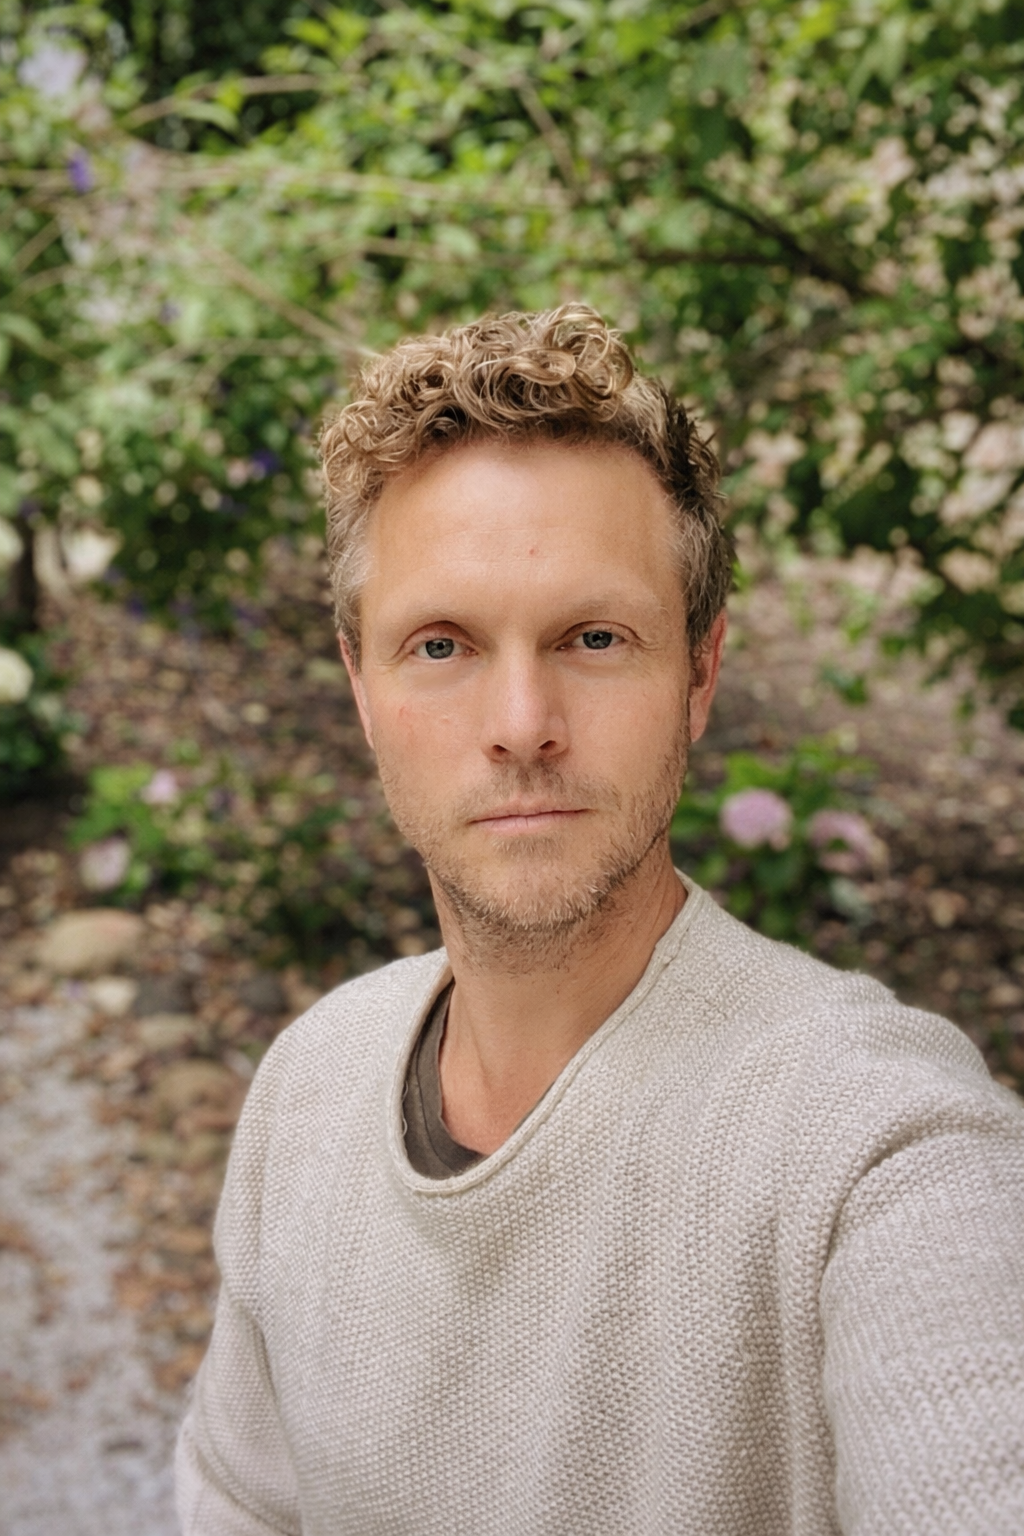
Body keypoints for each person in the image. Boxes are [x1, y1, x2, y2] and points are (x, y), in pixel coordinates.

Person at [177, 306, 1024, 1535]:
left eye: (593, 636)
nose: (522, 720)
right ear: (362, 687)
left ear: (698, 674)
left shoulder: (879, 1152)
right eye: (441, 644)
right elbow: (242, 1497)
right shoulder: (309, 1081)